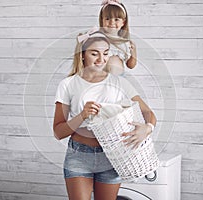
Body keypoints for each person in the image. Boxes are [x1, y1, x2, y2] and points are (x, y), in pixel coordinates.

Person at [53, 29, 156, 200]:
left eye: (106, 53)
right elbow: (58, 132)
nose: (101, 59)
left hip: (112, 157)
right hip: (79, 156)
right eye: (95, 53)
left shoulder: (119, 83)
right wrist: (82, 116)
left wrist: (147, 128)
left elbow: (148, 113)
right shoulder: (68, 84)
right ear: (83, 55)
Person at [99, 0, 137, 75]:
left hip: (118, 79)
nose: (112, 22)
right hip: (101, 79)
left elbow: (130, 65)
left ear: (123, 22)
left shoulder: (125, 43)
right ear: (102, 20)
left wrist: (134, 53)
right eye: (107, 19)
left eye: (116, 19)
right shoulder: (99, 38)